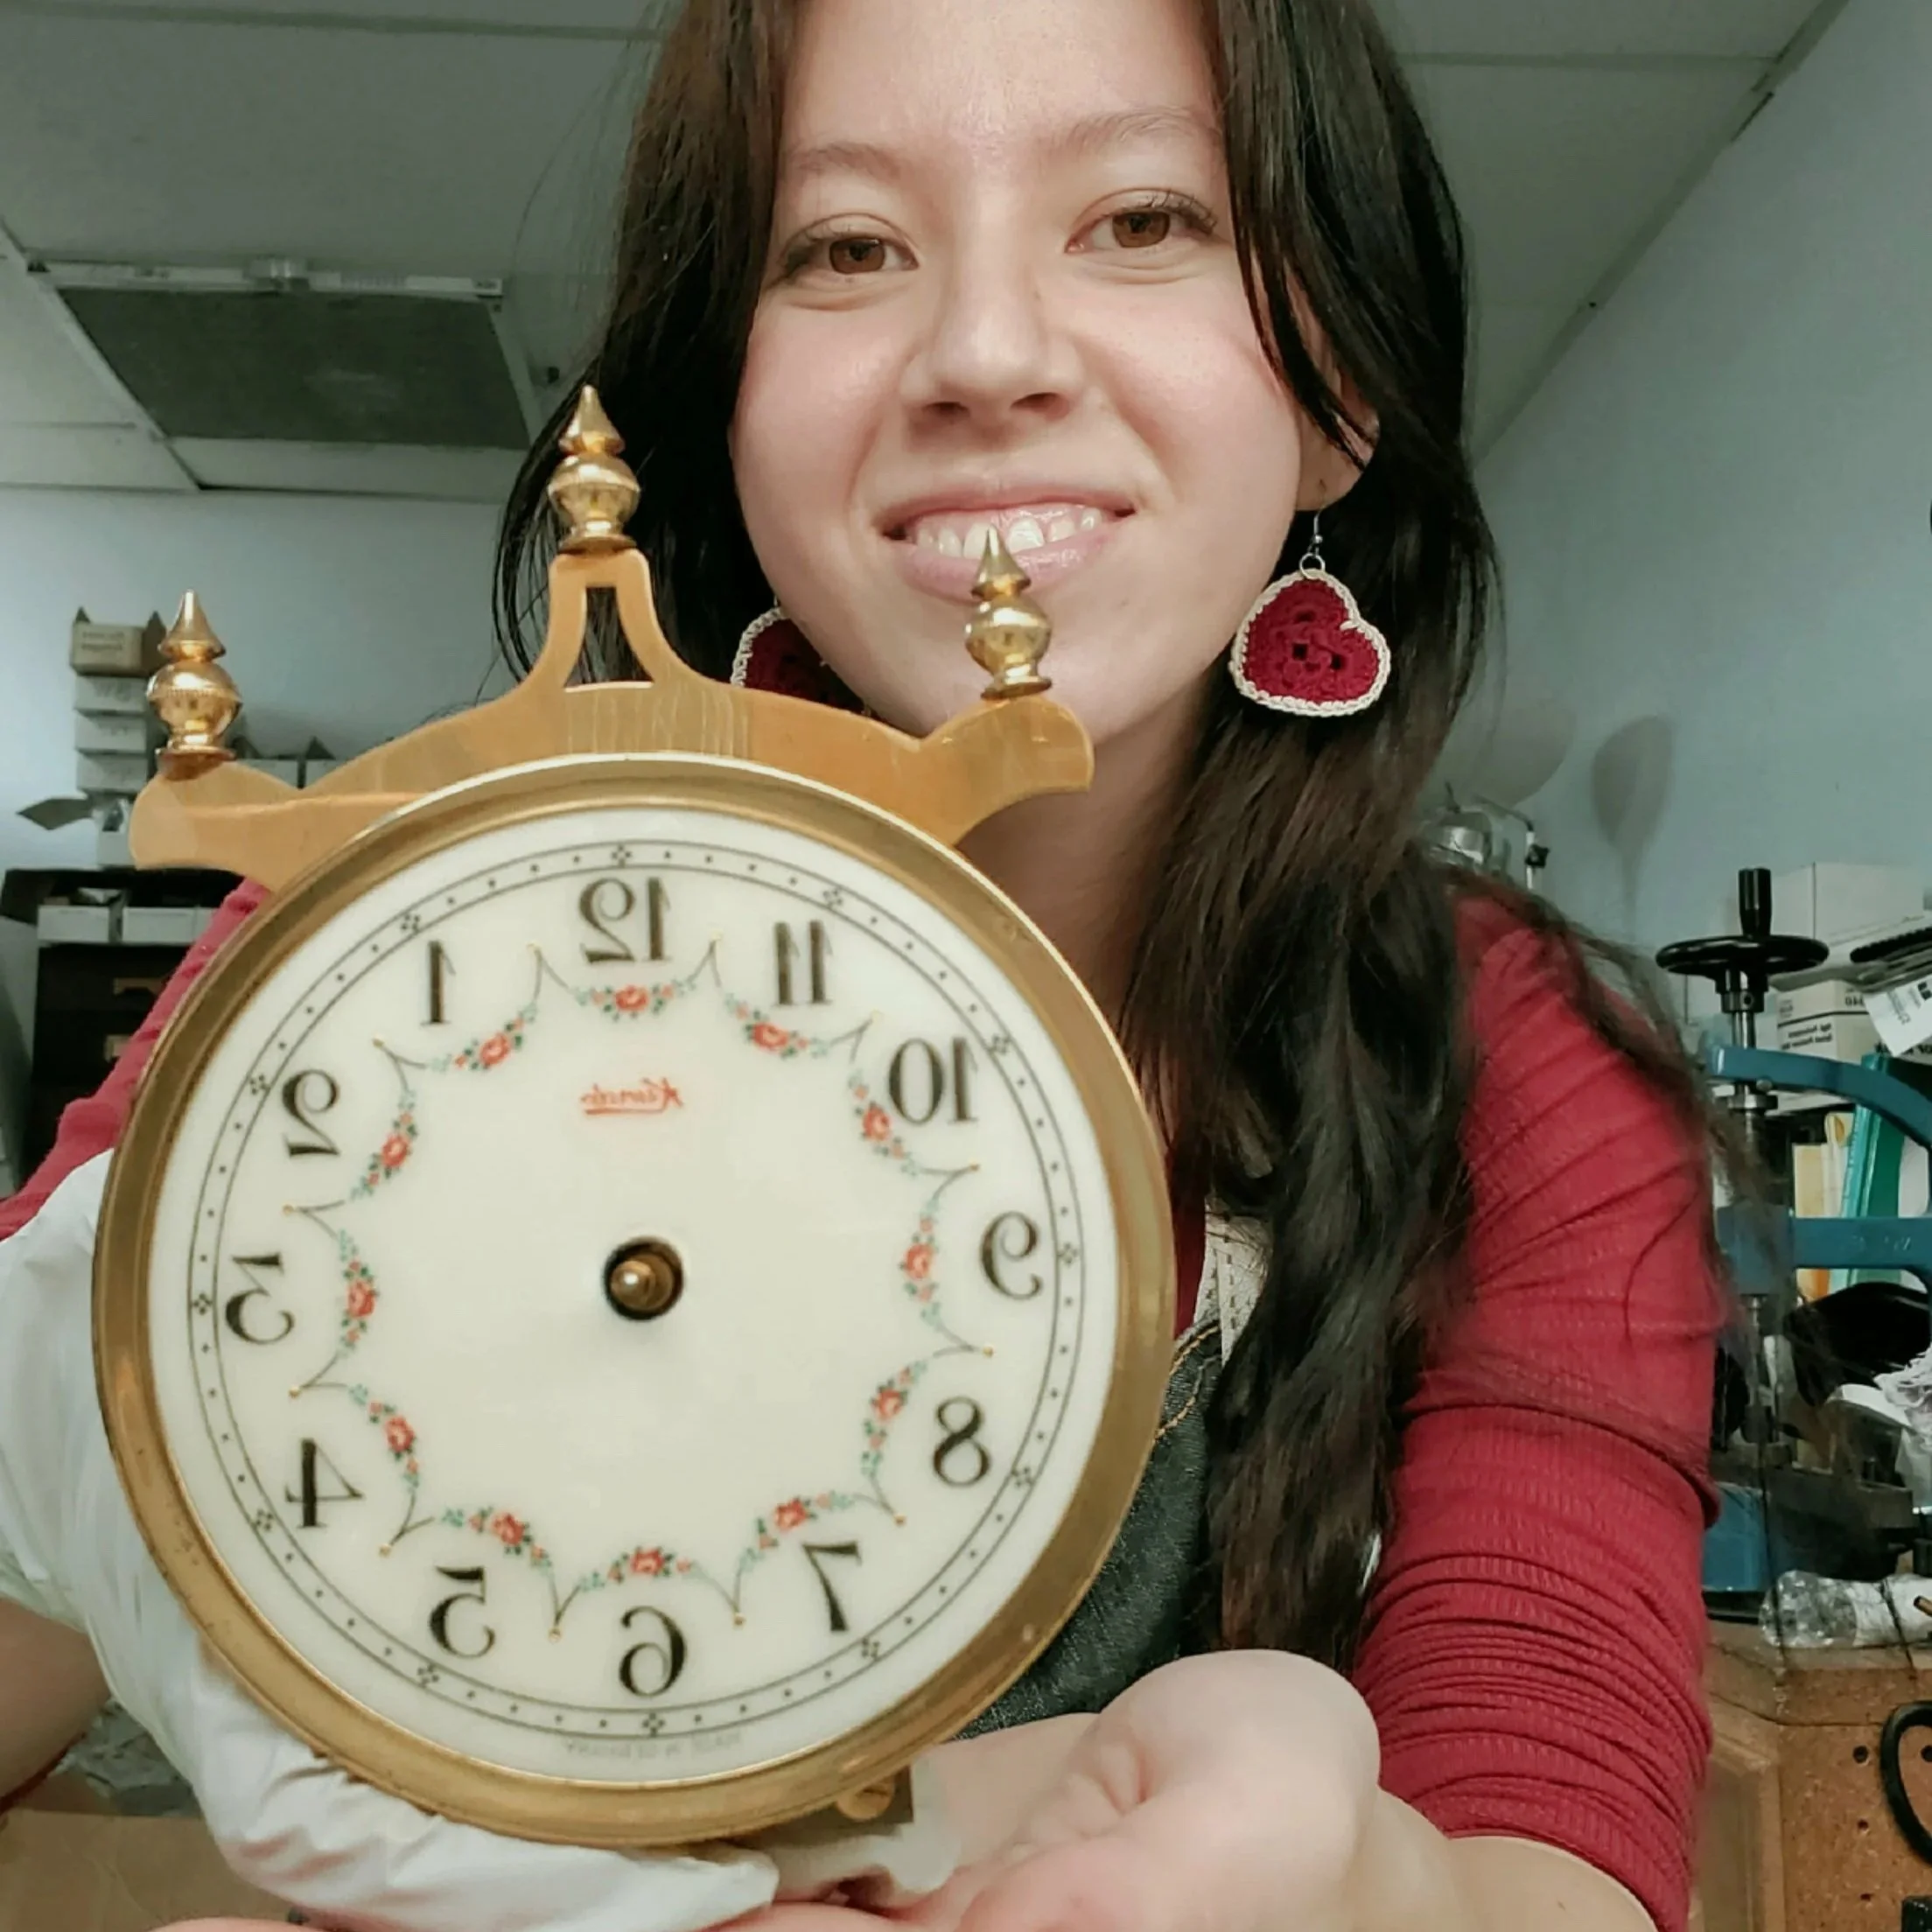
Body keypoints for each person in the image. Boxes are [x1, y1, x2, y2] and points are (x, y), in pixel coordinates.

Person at [0, 0, 1724, 1928]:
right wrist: (80, 1478)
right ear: (725, 396)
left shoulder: (1523, 1074)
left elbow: (1546, 1868)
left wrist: (1354, 1879)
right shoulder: (368, 971)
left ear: (1339, 391)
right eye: (842, 248)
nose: (985, 353)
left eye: (1144, 219)